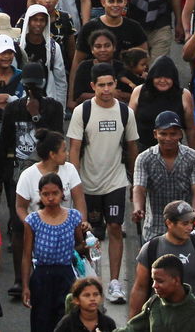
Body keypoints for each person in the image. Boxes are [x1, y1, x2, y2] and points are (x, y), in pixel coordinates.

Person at [67, 64, 139, 304]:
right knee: (87, 234)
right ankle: (91, 282)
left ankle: (115, 282)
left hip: (116, 181)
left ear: (115, 85)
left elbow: (131, 148)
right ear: (92, 87)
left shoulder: (125, 112)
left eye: (110, 84)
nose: (106, 90)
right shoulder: (82, 112)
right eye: (101, 85)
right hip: (87, 183)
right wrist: (73, 182)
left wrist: (134, 183)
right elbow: (74, 149)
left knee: (116, 228)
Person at [21, 174, 86, 332]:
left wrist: (87, 244)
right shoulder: (32, 220)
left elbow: (79, 245)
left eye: (54, 193)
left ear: (62, 193)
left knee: (66, 320)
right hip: (41, 277)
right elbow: (26, 255)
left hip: (66, 275)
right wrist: (25, 286)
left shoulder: (73, 217)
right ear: (40, 195)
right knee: (41, 321)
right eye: (46, 194)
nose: (50, 198)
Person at [128, 201, 195, 317]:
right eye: (185, 224)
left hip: (193, 321)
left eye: (191, 223)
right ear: (169, 223)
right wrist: (132, 323)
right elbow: (140, 289)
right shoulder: (151, 248)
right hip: (159, 320)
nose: (190, 228)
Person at [125, 255, 195, 332]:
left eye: (160, 281)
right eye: (153, 280)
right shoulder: (153, 305)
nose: (154, 285)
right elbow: (131, 329)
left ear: (176, 280)